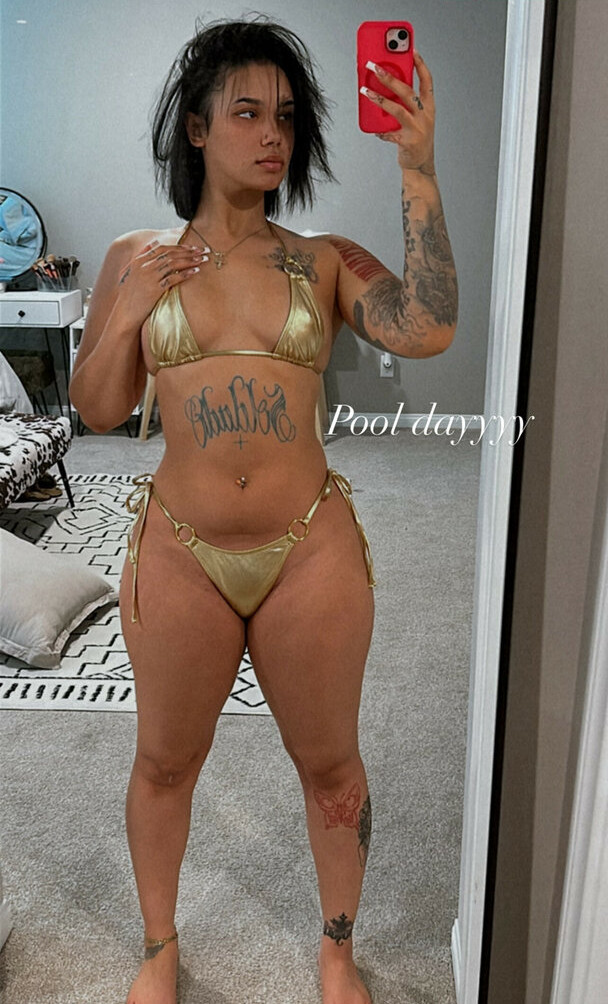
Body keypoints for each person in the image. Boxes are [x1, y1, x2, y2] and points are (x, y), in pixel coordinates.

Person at [69, 17, 457, 1004]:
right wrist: (126, 312)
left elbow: (427, 326)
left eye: (285, 116)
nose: (271, 134)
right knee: (164, 761)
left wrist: (416, 165)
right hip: (179, 548)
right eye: (246, 112)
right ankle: (159, 945)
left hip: (308, 550)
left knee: (330, 762)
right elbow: (98, 409)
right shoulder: (134, 254)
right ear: (197, 128)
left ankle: (337, 947)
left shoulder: (322, 259)